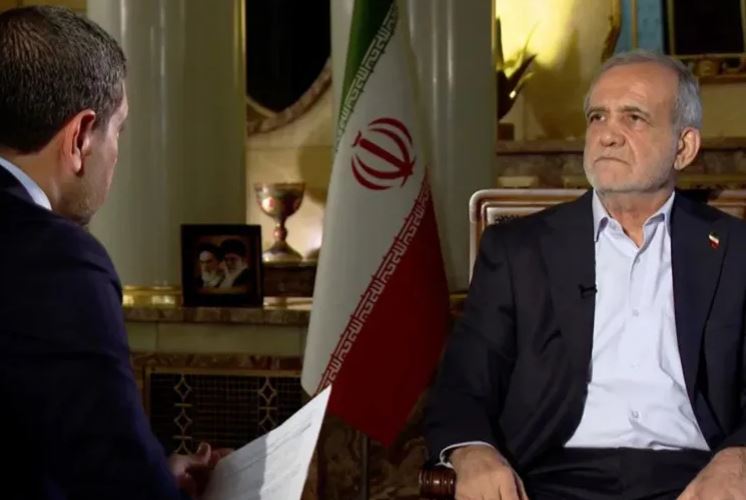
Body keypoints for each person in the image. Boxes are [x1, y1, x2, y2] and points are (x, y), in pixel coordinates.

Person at [425, 50, 746, 500]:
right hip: (546, 476)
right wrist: (472, 451)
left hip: (696, 477)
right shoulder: (519, 250)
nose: (607, 135)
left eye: (633, 117)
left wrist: (738, 457)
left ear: (684, 147)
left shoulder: (735, 250)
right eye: (597, 117)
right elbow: (463, 384)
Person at [0, 6, 227, 499]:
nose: (116, 152)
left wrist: (155, 469)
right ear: (81, 136)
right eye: (118, 129)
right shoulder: (56, 259)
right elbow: (120, 486)